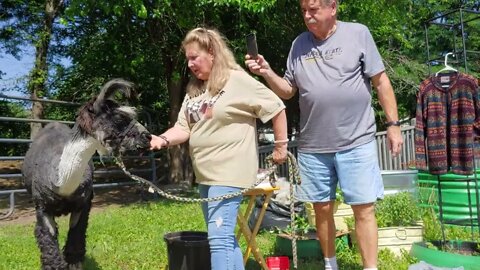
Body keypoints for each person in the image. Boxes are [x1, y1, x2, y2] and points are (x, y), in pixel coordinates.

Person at [245, 1, 403, 269]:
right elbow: (287, 90)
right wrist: (266, 72)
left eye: (314, 10)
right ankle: (331, 265)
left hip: (357, 141)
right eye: (303, 10)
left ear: (333, 7)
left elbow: (381, 82)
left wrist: (394, 125)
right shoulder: (299, 45)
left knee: (364, 209)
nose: (307, 16)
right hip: (313, 146)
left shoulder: (358, 33)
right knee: (322, 209)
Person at [150, 27, 288, 270]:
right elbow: (183, 128)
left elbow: (276, 107)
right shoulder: (194, 91)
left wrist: (280, 146)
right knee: (223, 237)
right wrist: (160, 139)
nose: (190, 64)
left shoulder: (236, 79)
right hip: (206, 175)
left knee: (219, 239)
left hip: (230, 171)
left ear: (212, 52)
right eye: (188, 59)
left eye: (195, 57)